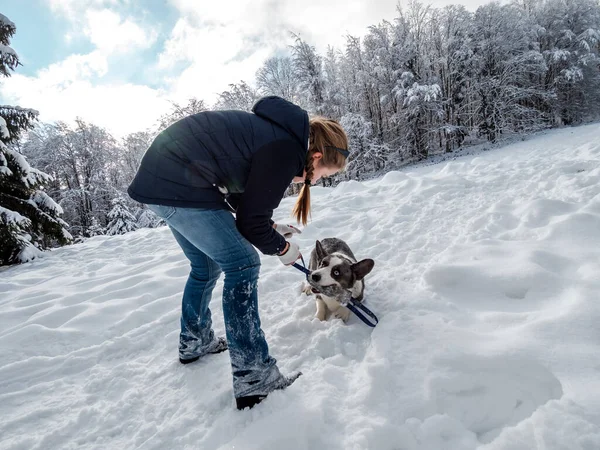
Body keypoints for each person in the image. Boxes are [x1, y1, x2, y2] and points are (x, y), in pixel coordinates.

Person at [127, 95, 349, 410]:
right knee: (242, 264)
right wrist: (282, 248)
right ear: (314, 158)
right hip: (177, 184)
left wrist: (270, 229)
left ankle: (195, 341)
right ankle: (254, 376)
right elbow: (249, 224)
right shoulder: (286, 150)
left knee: (205, 266)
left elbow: (241, 198)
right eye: (322, 175)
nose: (314, 181)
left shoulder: (277, 137)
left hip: (165, 181)